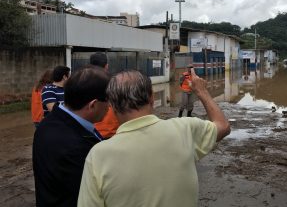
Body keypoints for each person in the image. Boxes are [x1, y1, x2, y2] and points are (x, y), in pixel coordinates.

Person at [78, 69, 230, 207]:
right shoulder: (185, 129)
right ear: (152, 97)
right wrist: (202, 91)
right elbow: (223, 126)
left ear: (111, 105)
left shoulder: (97, 156)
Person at [33, 66, 111, 207]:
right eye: (108, 101)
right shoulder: (76, 146)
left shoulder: (49, 124)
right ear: (93, 104)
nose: (109, 107)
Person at [90, 52, 119, 139]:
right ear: (106, 66)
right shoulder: (115, 82)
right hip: (112, 131)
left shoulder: (83, 82)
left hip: (91, 131)